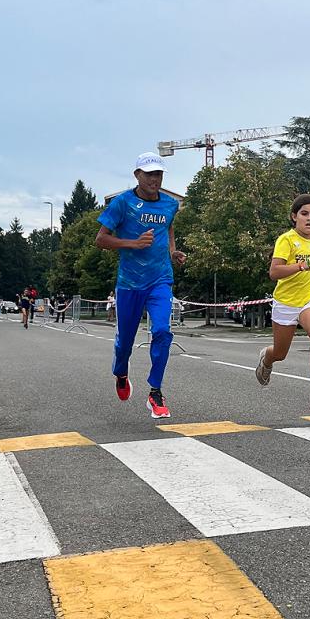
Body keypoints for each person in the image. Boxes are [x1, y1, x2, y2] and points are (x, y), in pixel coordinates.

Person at [95, 152, 186, 420]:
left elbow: (168, 228)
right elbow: (101, 239)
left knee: (162, 331)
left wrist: (172, 251)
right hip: (130, 283)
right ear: (137, 175)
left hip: (160, 279)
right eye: (149, 174)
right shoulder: (122, 203)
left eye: (158, 174)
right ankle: (121, 373)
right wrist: (133, 244)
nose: (154, 179)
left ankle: (155, 392)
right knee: (125, 342)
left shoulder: (170, 205)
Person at [255, 194, 310, 414]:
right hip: (286, 302)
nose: (309, 218)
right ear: (294, 216)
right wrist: (301, 265)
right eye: (304, 214)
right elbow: (274, 272)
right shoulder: (286, 240)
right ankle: (267, 358)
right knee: (280, 353)